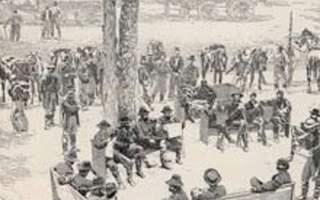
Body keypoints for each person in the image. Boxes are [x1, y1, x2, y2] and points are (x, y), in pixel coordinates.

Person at [113, 112, 146, 186]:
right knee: (129, 162)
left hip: (126, 149)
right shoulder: (118, 131)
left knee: (140, 149)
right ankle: (129, 178)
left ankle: (139, 170)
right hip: (118, 152)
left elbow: (133, 139)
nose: (126, 123)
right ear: (121, 122)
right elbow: (117, 145)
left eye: (127, 121)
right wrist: (128, 142)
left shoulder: (129, 130)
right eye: (124, 121)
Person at [295, 109, 320, 200]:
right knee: (304, 176)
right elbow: (304, 140)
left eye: (312, 128)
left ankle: (316, 196)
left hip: (317, 158)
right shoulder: (310, 133)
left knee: (317, 178)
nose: (310, 129)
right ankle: (304, 195)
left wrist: (313, 150)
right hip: (310, 158)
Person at [92, 120, 124, 188]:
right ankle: (101, 188)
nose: (105, 129)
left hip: (108, 156)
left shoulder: (109, 134)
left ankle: (120, 183)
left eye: (106, 127)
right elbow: (98, 145)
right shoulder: (97, 136)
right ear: (100, 128)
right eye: (103, 127)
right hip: (100, 158)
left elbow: (116, 138)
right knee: (101, 174)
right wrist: (106, 141)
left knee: (113, 167)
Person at [61, 85, 80, 152]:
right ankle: (65, 149)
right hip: (67, 117)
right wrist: (73, 108)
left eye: (72, 89)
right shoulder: (64, 99)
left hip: (74, 117)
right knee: (66, 133)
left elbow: (77, 107)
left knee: (73, 133)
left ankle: (73, 147)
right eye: (70, 89)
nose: (71, 91)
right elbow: (69, 108)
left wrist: (78, 121)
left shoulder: (74, 99)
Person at [40, 64, 60, 130]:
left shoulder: (54, 77)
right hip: (48, 93)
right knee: (48, 107)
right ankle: (48, 121)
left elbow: (57, 86)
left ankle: (50, 121)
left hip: (51, 93)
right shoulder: (46, 76)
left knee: (51, 107)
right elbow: (42, 85)